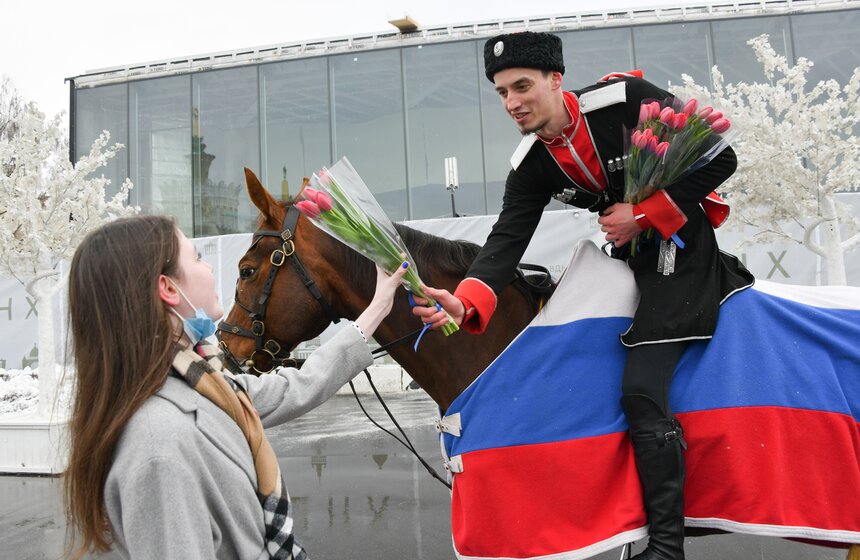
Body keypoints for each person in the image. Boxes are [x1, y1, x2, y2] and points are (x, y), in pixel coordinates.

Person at [412, 31, 754, 560]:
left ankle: (667, 548)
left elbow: (720, 159)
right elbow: (507, 239)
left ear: (556, 79)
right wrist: (466, 299)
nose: (512, 103)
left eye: (522, 86)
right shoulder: (530, 163)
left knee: (640, 389)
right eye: (502, 92)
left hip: (683, 255)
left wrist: (643, 214)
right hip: (626, 264)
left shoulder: (626, 101)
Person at [63, 214, 409, 559]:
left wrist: (377, 306)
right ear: (168, 288)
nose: (210, 268)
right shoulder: (159, 449)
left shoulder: (206, 385)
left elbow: (295, 387)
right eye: (196, 257)